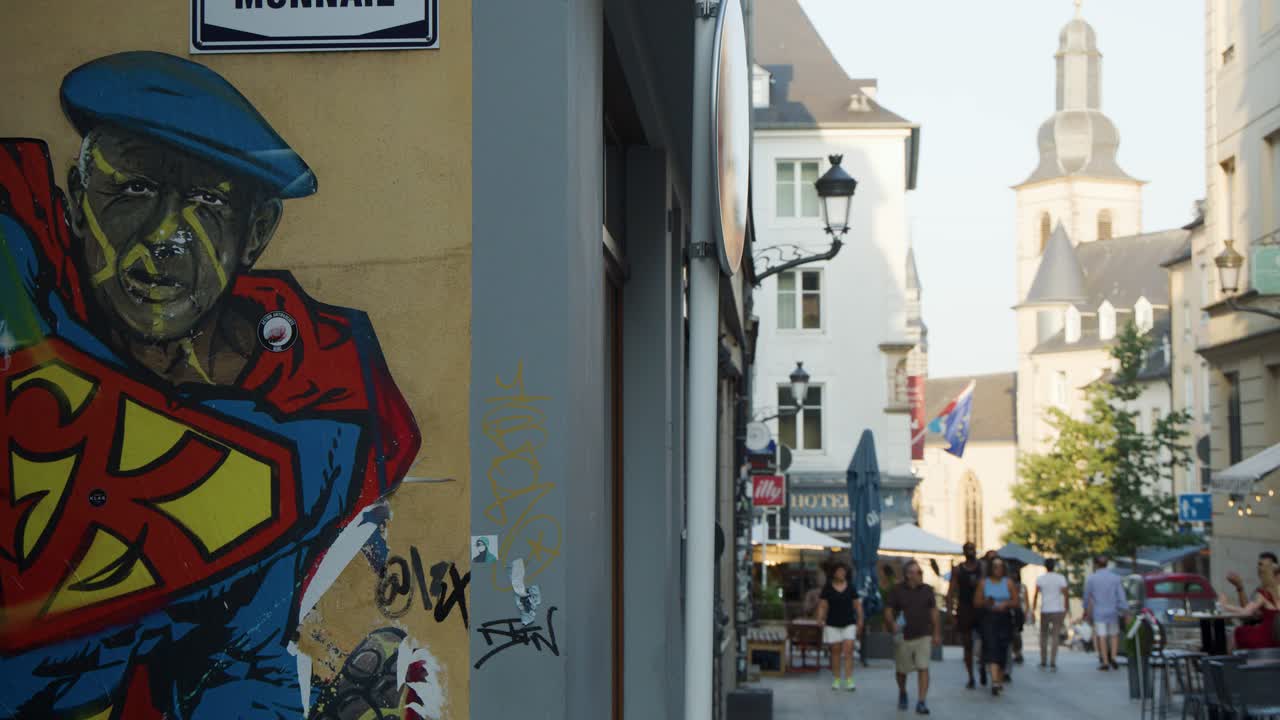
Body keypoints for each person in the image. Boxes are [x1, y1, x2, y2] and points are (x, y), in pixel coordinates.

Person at [0, 52, 420, 717]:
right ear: (78, 203)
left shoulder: (296, 432)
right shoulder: (20, 299)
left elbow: (241, 666)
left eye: (207, 204)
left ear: (255, 235)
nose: (165, 238)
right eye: (133, 190)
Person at [886, 561, 942, 715]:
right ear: (908, 574)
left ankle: (921, 701)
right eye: (917, 573)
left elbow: (934, 612)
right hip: (904, 635)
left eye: (921, 572)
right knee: (901, 670)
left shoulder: (927, 590)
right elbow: (889, 610)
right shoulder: (897, 590)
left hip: (923, 634)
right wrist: (892, 624)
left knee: (923, 667)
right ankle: (903, 691)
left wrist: (936, 632)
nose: (920, 575)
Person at [974, 556, 1018, 697]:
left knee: (1003, 649)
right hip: (989, 618)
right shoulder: (983, 583)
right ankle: (994, 681)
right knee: (991, 647)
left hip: (1004, 619)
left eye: (1000, 566)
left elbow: (1016, 601)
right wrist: (987, 602)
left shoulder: (1008, 583)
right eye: (995, 566)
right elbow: (976, 602)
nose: (997, 569)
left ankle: (999, 678)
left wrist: (1006, 604)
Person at [817, 563, 864, 691]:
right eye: (839, 571)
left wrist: (860, 620)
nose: (841, 574)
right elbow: (823, 605)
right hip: (832, 623)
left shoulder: (851, 588)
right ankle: (837, 678)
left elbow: (857, 605)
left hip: (849, 623)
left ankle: (849, 679)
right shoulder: (828, 588)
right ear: (834, 573)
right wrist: (820, 618)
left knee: (848, 650)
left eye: (843, 571)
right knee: (835, 651)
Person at [1219, 551, 1280, 649]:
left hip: (1265, 637)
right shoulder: (1274, 592)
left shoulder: (1263, 593)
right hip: (1276, 640)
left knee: (1237, 632)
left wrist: (1225, 605)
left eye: (1260, 566)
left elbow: (1246, 612)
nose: (1258, 569)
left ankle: (1229, 662)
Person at [946, 542, 984, 689]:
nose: (970, 552)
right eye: (968, 549)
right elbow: (951, 592)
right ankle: (971, 676)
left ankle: (982, 667)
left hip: (980, 609)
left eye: (972, 549)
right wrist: (950, 612)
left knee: (984, 641)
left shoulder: (982, 568)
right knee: (967, 645)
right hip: (965, 609)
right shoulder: (958, 570)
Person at [1083, 555, 1128, 670]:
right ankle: (1113, 656)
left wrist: (1085, 609)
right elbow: (1121, 596)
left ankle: (1105, 661)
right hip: (1113, 610)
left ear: (1096, 564)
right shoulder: (1115, 578)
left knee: (1101, 636)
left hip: (1099, 611)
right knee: (1114, 634)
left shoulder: (1092, 579)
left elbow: (1087, 596)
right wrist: (1125, 609)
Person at [1033, 558, 1070, 671]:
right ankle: (1053, 661)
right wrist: (1066, 608)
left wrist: (1033, 608)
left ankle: (1044, 660)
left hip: (1045, 609)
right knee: (1055, 635)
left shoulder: (1041, 579)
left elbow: (1036, 594)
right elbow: (1066, 594)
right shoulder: (1060, 578)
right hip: (1057, 609)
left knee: (1043, 635)